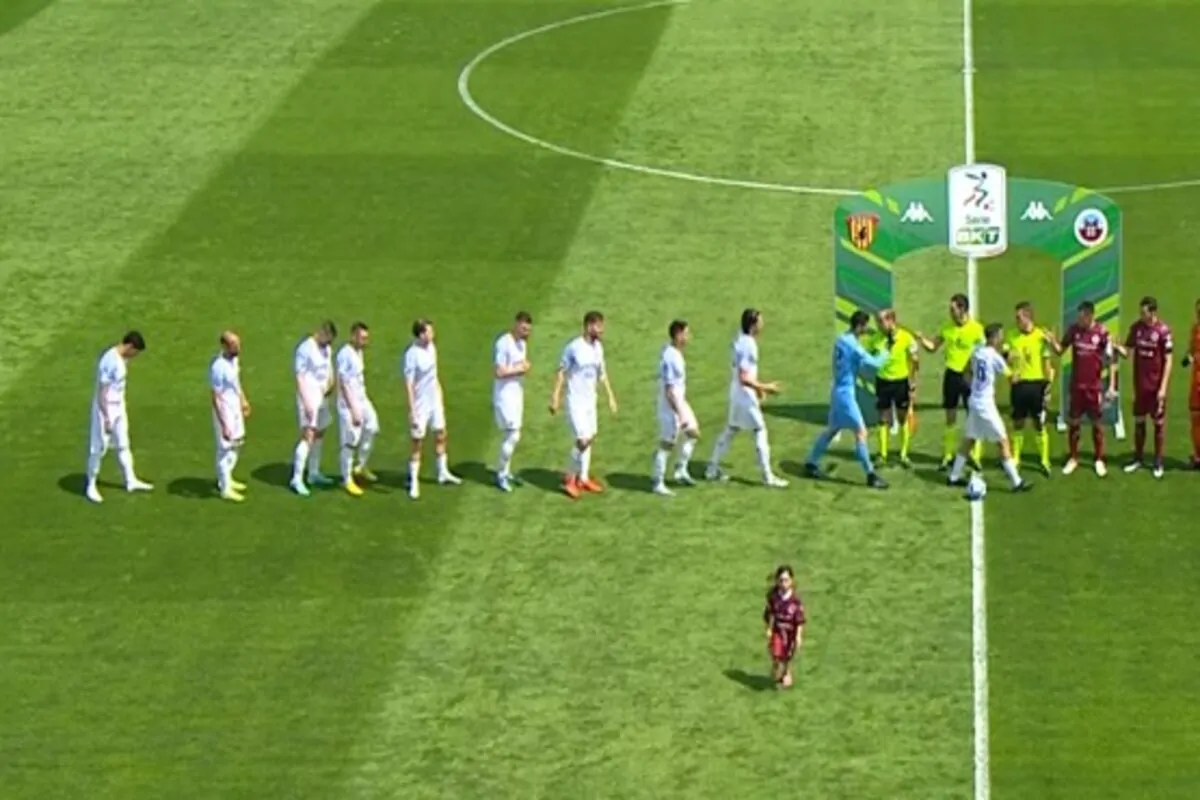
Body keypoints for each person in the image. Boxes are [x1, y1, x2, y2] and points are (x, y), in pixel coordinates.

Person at [803, 310, 890, 488]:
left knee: (832, 429)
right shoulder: (854, 346)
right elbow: (874, 364)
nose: (867, 330)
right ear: (859, 326)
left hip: (836, 389)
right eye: (865, 326)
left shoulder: (841, 339)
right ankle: (871, 475)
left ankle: (811, 462)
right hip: (845, 394)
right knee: (861, 432)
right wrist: (884, 352)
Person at [705, 308, 786, 487]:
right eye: (760, 321)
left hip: (736, 392)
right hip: (743, 395)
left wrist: (759, 390)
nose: (763, 324)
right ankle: (768, 476)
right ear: (753, 325)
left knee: (731, 429)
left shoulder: (739, 339)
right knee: (760, 430)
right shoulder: (749, 345)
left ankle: (711, 468)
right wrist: (766, 387)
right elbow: (744, 377)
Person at [947, 323, 1032, 492]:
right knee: (1003, 441)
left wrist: (975, 386)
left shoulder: (977, 351)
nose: (1002, 339)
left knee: (969, 439)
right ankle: (1017, 482)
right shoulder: (994, 357)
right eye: (1000, 336)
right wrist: (1020, 369)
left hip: (974, 400)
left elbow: (966, 372)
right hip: (986, 405)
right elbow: (1012, 380)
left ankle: (954, 476)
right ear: (994, 337)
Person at [550, 311, 618, 499]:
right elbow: (561, 371)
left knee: (590, 436)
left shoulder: (598, 348)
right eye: (598, 326)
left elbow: (602, 374)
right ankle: (569, 478)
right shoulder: (574, 347)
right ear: (589, 326)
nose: (602, 330)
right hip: (576, 401)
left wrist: (610, 397)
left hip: (590, 400)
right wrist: (555, 396)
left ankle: (584, 478)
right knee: (582, 440)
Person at [1045, 301, 1115, 476]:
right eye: (1078, 316)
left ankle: (1099, 459)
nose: (1079, 319)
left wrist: (1112, 385)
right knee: (1074, 422)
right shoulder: (1074, 330)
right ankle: (1073, 457)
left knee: (1097, 424)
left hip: (1094, 388)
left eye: (1082, 316)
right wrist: (1052, 341)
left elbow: (1111, 360)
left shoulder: (1102, 333)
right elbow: (1061, 350)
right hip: (1077, 386)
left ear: (1091, 316)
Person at [916, 294, 985, 469]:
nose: (950, 312)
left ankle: (974, 455)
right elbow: (933, 347)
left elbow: (984, 354)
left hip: (969, 378)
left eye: (953, 309)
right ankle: (948, 454)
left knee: (973, 417)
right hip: (952, 376)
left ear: (962, 309)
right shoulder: (947, 327)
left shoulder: (977, 329)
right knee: (950, 416)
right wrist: (922, 339)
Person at [85, 330, 153, 503]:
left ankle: (130, 480)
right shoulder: (109, 360)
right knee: (98, 448)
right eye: (135, 352)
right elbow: (102, 390)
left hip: (119, 407)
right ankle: (91, 485)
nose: (135, 356)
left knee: (123, 444)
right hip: (105, 409)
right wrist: (107, 417)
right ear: (130, 346)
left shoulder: (122, 358)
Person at [1115, 296, 1173, 478]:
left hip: (1156, 387)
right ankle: (1138, 459)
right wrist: (1117, 347)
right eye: (1140, 312)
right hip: (1140, 386)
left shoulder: (1163, 332)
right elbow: (1128, 352)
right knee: (1139, 421)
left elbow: (1168, 360)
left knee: (1158, 424)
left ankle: (1157, 462)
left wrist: (1163, 388)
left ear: (1153, 312)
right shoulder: (1136, 328)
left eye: (1144, 313)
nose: (1141, 315)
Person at [403, 319, 461, 500]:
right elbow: (409, 383)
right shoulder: (412, 355)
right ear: (421, 334)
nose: (432, 334)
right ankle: (414, 481)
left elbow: (434, 374)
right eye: (429, 332)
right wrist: (412, 410)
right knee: (417, 442)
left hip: (434, 399)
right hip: (420, 403)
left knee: (441, 433)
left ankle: (442, 472)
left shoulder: (432, 347)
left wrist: (439, 395)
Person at [1003, 302, 1054, 475]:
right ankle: (1016, 458)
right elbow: (1003, 359)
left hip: (1036, 385)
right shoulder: (1011, 336)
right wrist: (1010, 372)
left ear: (1028, 317)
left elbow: (1047, 363)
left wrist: (1048, 388)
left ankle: (1044, 459)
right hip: (1019, 385)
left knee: (1038, 423)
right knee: (1018, 422)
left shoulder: (1041, 336)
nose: (1016, 320)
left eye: (1019, 317)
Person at [652, 319, 700, 496]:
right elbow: (670, 390)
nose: (689, 337)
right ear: (678, 335)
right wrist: (680, 414)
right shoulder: (671, 357)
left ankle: (681, 470)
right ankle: (658, 482)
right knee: (667, 444)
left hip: (679, 402)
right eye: (686, 333)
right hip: (670, 406)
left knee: (693, 433)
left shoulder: (674, 353)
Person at [290, 320, 337, 497]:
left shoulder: (326, 349)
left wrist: (331, 383)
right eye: (328, 339)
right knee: (308, 435)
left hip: (322, 396)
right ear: (321, 333)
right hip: (308, 397)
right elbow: (300, 376)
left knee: (320, 432)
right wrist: (307, 402)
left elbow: (328, 368)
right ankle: (296, 478)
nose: (329, 344)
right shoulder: (305, 348)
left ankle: (314, 472)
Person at [867, 309, 918, 467]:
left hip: (901, 382)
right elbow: (868, 358)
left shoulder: (905, 337)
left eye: (880, 321)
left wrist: (913, 381)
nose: (877, 325)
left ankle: (903, 455)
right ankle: (882, 454)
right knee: (883, 419)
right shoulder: (875, 339)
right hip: (883, 382)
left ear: (891, 321)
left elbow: (915, 359)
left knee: (903, 418)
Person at [336, 322, 379, 497]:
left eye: (366, 338)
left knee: (372, 428)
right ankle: (346, 479)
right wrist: (353, 408)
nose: (365, 341)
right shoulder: (345, 354)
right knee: (350, 441)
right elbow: (344, 382)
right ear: (353, 336)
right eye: (362, 338)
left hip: (362, 399)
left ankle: (360, 466)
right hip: (349, 404)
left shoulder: (358, 352)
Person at [493, 311, 533, 492]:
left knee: (513, 434)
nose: (526, 332)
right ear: (516, 324)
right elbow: (499, 372)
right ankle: (501, 474)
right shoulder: (503, 343)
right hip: (504, 395)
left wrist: (522, 369)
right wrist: (519, 369)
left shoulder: (522, 344)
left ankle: (506, 470)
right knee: (513, 434)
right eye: (524, 328)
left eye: (528, 329)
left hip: (517, 394)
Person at [210, 331, 250, 502]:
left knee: (237, 443)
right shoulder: (218, 367)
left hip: (235, 408)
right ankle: (224, 487)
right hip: (224, 411)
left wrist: (243, 400)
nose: (238, 348)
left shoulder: (234, 360)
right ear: (225, 346)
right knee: (224, 449)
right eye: (234, 345)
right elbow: (216, 396)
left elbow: (236, 383)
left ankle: (228, 478)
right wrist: (223, 423)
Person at [763, 565, 805, 690]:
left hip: (790, 633)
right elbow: (769, 614)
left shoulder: (795, 602)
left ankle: (786, 672)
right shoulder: (774, 598)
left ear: (791, 581)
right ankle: (777, 667)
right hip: (778, 631)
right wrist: (769, 629)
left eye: (786, 580)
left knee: (787, 656)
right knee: (777, 654)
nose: (783, 583)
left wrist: (798, 636)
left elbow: (800, 621)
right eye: (781, 580)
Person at [1186, 298, 1200, 467]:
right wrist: (1189, 357)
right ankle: (1198, 456)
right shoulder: (1195, 329)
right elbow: (1192, 349)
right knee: (1195, 418)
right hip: (1195, 381)